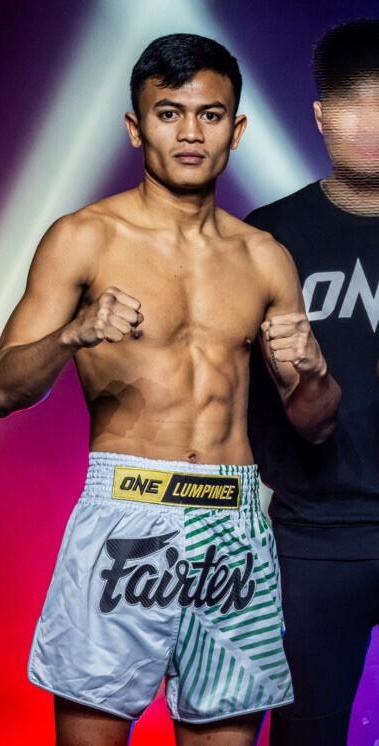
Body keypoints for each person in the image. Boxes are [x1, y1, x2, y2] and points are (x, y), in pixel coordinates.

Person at [0, 33, 340, 746]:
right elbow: (2, 391)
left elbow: (316, 425)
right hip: (126, 515)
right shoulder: (85, 238)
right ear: (135, 126)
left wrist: (312, 373)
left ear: (237, 129)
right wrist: (73, 334)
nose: (190, 133)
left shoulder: (264, 258)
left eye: (210, 115)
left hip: (233, 524)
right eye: (168, 113)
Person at [245, 19, 379, 746]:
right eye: (352, 105)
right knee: (306, 733)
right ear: (321, 117)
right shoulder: (268, 236)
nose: (369, 125)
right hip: (312, 537)